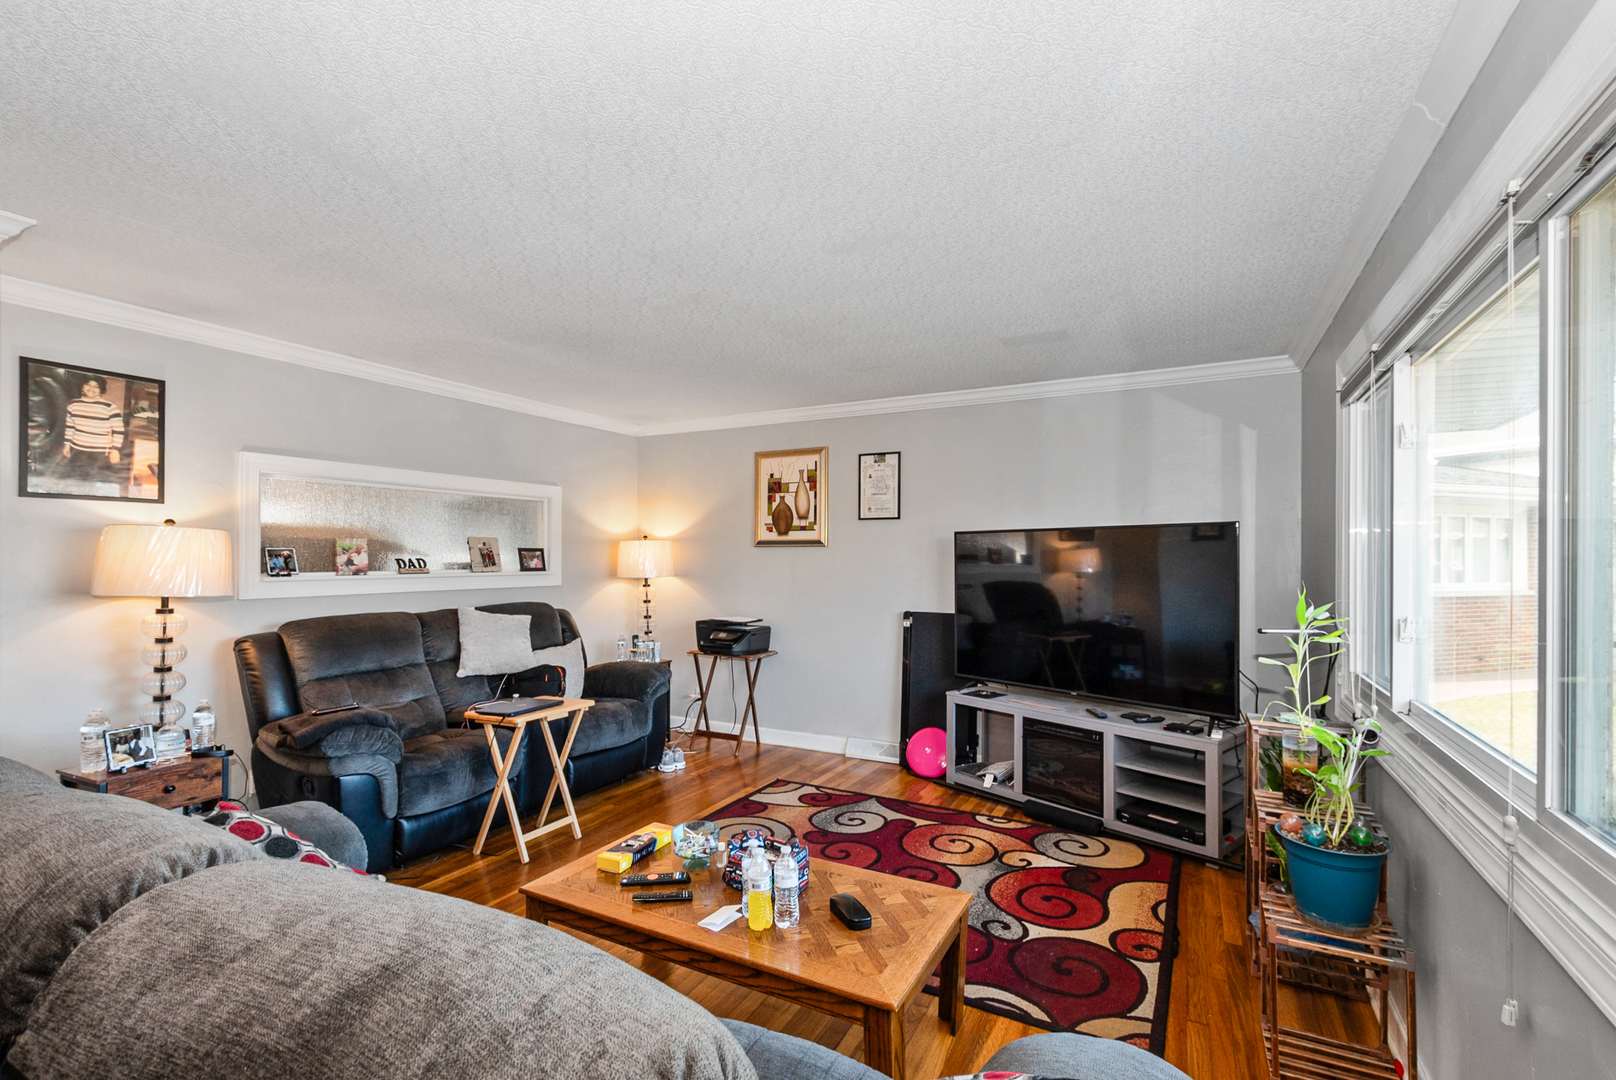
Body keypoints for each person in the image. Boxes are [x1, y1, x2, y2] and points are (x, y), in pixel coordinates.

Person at [62, 377, 127, 484]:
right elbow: (70, 426)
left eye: (96, 386)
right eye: (88, 384)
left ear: (101, 390)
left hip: (100, 453)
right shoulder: (72, 404)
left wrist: (115, 450)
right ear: (82, 386)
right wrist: (67, 444)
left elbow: (119, 430)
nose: (91, 389)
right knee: (77, 480)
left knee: (98, 481)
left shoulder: (110, 407)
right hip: (77, 450)